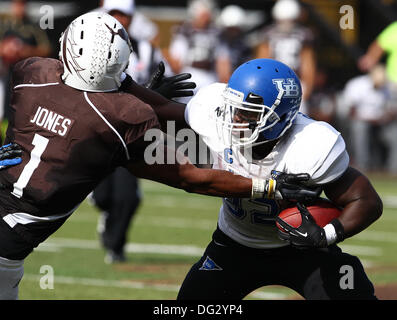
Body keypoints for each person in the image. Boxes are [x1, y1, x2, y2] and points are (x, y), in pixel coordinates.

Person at [0, 12, 318, 300]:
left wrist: (134, 95)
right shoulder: (119, 119)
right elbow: (191, 177)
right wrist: (270, 186)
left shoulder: (29, 74)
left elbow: (72, 100)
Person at [177, 58, 383, 300]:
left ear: (280, 118)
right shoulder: (217, 120)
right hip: (233, 246)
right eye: (234, 110)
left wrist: (326, 235)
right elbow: (166, 117)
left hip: (301, 249)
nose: (234, 120)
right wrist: (142, 97)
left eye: (248, 114)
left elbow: (366, 201)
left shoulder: (308, 144)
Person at [92, 0, 175, 264]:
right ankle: (106, 212)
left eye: (122, 14)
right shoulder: (90, 44)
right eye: (113, 13)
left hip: (131, 133)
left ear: (130, 17)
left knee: (126, 197)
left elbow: (165, 79)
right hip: (96, 129)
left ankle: (116, 247)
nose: (118, 19)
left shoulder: (146, 50)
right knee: (103, 195)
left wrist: (158, 95)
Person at [0, 0, 51, 137]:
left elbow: (46, 49)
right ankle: (6, 141)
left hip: (30, 78)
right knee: (7, 110)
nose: (19, 8)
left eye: (21, 4)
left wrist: (25, 51)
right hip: (8, 75)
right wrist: (6, 49)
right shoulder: (5, 25)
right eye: (16, 4)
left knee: (27, 110)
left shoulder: (33, 27)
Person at [256, 0, 316, 115]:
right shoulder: (268, 34)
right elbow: (262, 62)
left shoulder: (303, 35)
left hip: (294, 82)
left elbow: (308, 66)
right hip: (275, 82)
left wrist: (306, 91)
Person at [342, 64, 397, 173]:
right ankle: (363, 165)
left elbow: (392, 110)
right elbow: (350, 111)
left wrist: (384, 118)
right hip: (361, 120)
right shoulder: (357, 85)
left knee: (394, 133)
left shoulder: (387, 88)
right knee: (360, 128)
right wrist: (366, 119)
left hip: (381, 122)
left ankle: (393, 169)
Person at [167, 0, 220, 103]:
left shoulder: (217, 33)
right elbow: (176, 62)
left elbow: (220, 60)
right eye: (203, 15)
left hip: (210, 77)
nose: (206, 18)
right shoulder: (184, 31)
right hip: (189, 75)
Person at [215, 5, 252, 83]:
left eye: (235, 29)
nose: (232, 32)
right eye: (230, 29)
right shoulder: (220, 43)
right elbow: (223, 75)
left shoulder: (245, 44)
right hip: (221, 83)